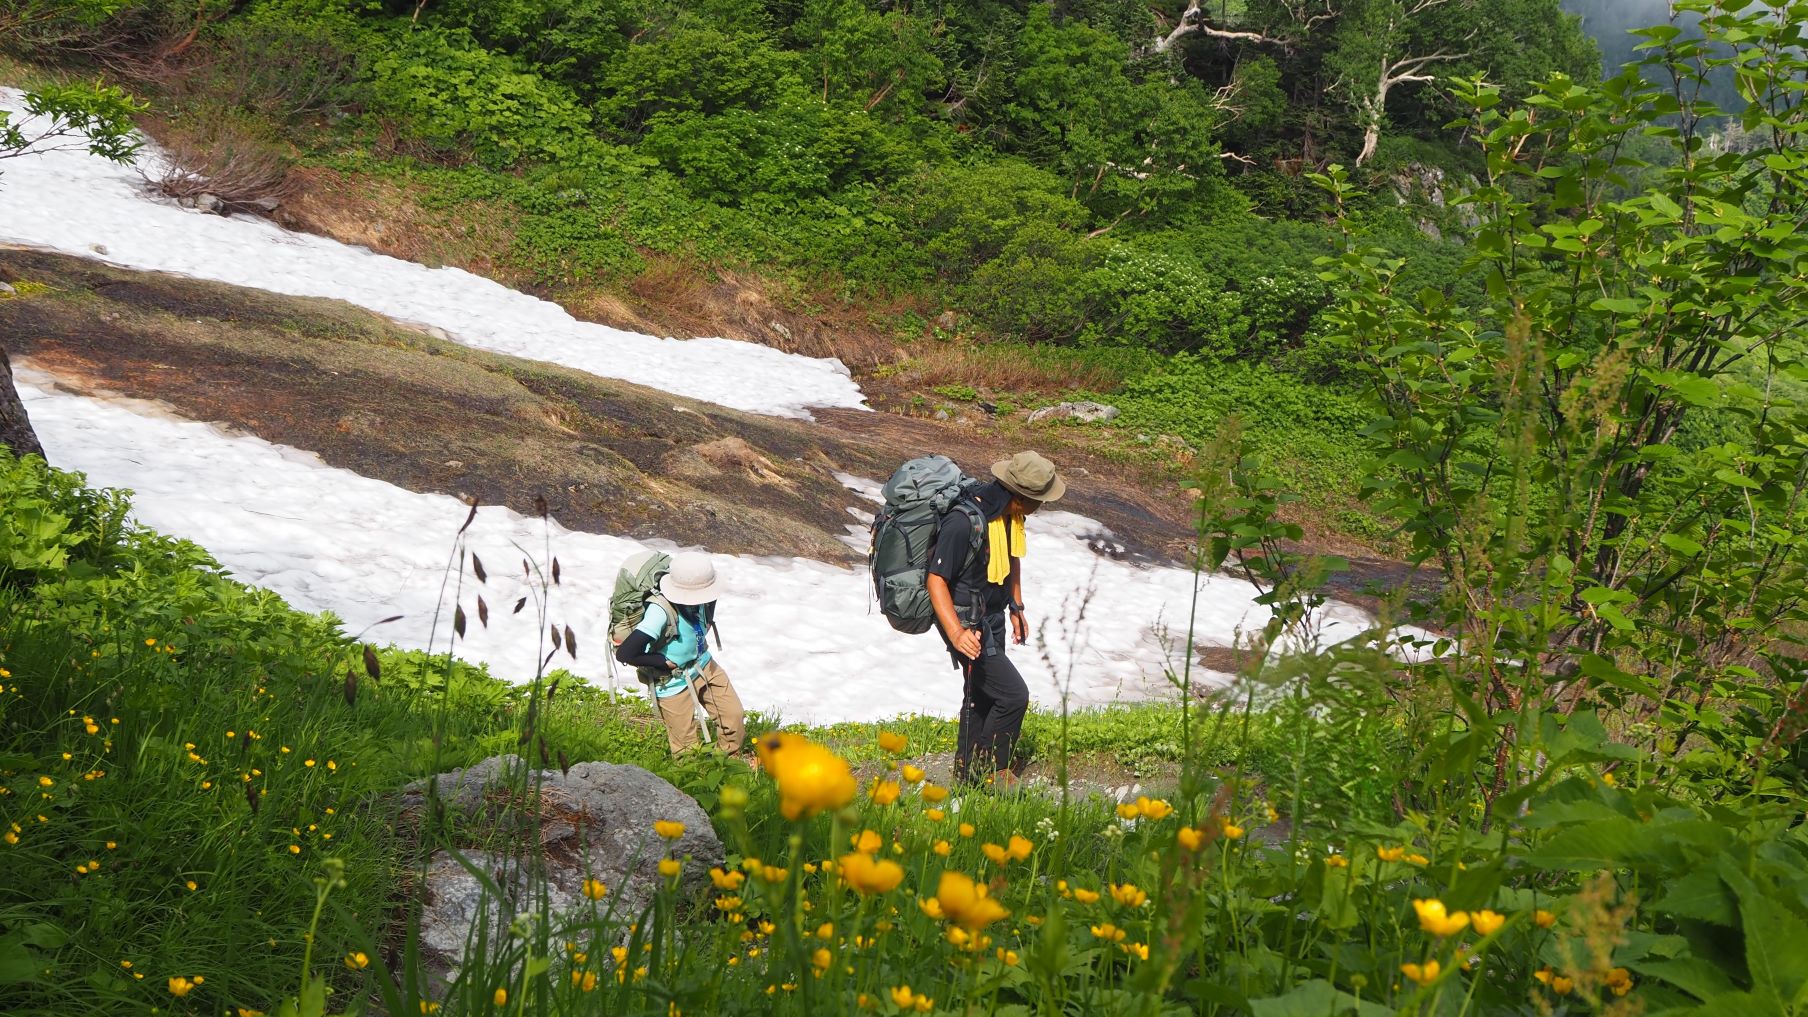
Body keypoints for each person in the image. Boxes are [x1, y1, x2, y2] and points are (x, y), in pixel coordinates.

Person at [926, 450, 1066, 786]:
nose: (1042, 506)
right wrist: (956, 633)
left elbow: (1012, 558)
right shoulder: (964, 522)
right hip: (966, 622)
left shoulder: (1007, 517)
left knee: (980, 696)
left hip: (992, 615)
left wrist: (1016, 606)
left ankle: (968, 776)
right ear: (1021, 498)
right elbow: (936, 580)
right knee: (1013, 695)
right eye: (1040, 500)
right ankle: (994, 770)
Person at [613, 550, 746, 755]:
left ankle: (727, 760)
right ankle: (692, 774)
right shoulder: (659, 611)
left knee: (733, 716)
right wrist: (662, 662)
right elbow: (625, 653)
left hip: (703, 663)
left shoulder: (705, 596)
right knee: (686, 748)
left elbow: (709, 607)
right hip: (672, 681)